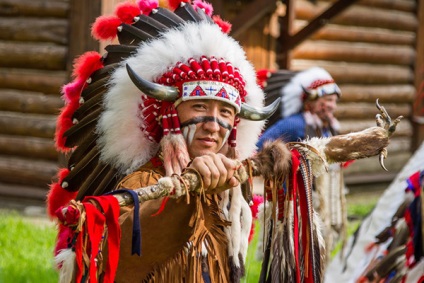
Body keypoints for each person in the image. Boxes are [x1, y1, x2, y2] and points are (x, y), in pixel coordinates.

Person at [46, 1, 401, 282]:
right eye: (199, 106)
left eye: (226, 112)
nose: (213, 125)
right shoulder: (141, 184)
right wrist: (185, 192)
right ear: (168, 115)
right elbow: (115, 259)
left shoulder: (233, 189)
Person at [256, 67, 349, 258]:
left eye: (334, 101)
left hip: (318, 199)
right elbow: (260, 146)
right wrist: (285, 160)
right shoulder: (294, 123)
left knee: (316, 253)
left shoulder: (328, 126)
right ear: (311, 101)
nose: (332, 106)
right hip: (293, 199)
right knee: (293, 253)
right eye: (327, 100)